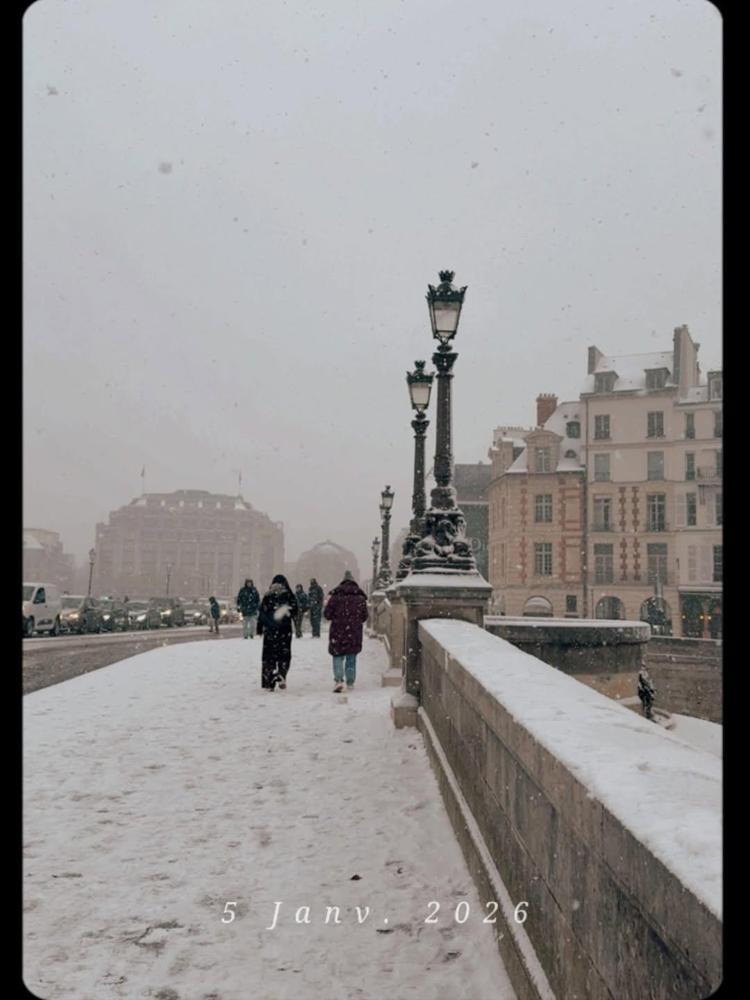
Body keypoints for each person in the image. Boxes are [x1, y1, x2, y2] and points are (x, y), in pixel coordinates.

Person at [324, 571, 368, 692]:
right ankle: (350, 681)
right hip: (353, 631)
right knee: (351, 655)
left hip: (337, 630)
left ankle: (338, 680)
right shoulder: (360, 598)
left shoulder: (335, 596)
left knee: (337, 654)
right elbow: (364, 617)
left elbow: (327, 614)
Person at [257, 575, 298, 691]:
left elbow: (262, 613)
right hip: (284, 630)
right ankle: (281, 673)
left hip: (270, 631)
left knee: (268, 656)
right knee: (284, 654)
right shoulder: (289, 595)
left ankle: (268, 680)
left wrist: (260, 627)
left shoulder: (267, 596)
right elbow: (295, 611)